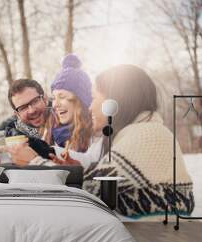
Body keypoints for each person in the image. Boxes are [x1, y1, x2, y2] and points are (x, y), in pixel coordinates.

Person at [82, 64, 194, 217]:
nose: (90, 107)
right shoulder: (137, 132)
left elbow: (91, 189)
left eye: (94, 98)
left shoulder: (147, 135)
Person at [0, 79, 55, 159]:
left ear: (45, 99)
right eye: (23, 108)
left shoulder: (66, 120)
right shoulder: (14, 135)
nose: (32, 110)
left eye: (35, 101)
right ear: (17, 114)